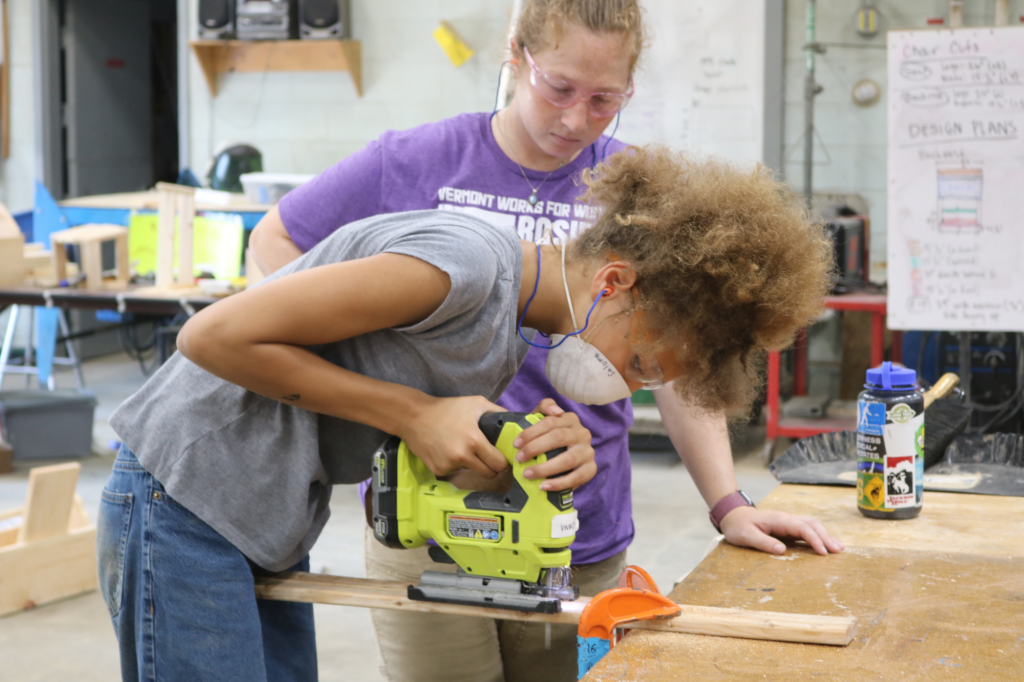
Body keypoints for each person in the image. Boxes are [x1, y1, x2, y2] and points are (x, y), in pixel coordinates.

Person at [249, 2, 843, 680]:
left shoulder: (640, 198)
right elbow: (276, 245)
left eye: (603, 100)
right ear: (514, 53)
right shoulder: (412, 161)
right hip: (427, 517)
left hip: (574, 524)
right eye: (558, 88)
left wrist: (727, 503)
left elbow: (678, 369)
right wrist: (387, 392)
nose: (574, 119)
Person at [99, 145, 833, 681]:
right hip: (180, 495)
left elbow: (400, 424)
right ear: (615, 282)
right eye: (642, 364)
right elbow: (212, 335)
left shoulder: (511, 329)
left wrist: (531, 453)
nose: (628, 386)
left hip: (259, 516)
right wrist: (416, 413)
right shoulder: (470, 265)